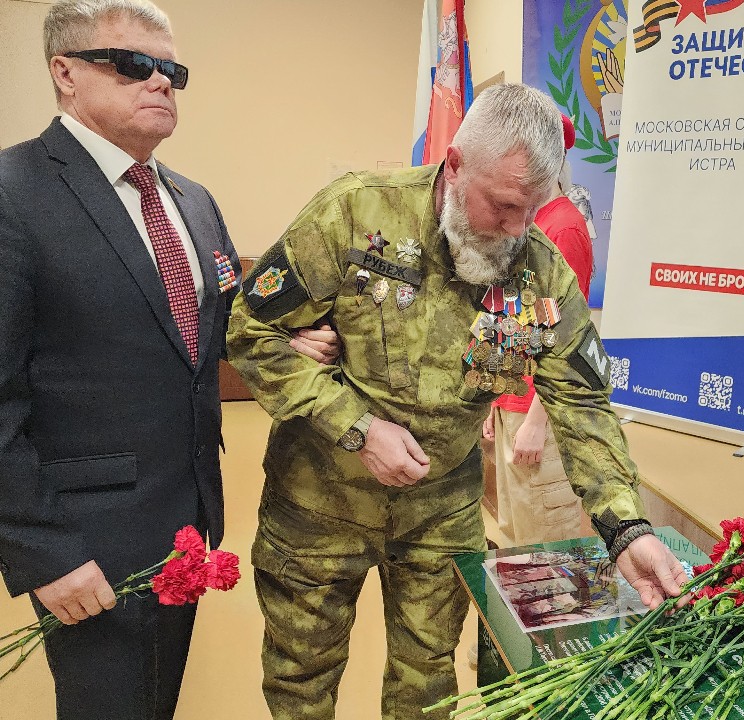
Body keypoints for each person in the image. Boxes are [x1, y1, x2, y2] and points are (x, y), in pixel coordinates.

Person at [226, 82, 688, 720]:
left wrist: (623, 525)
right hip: (317, 505)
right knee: (301, 680)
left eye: (532, 210)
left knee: (428, 690)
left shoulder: (539, 271)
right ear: (454, 164)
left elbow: (582, 403)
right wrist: (357, 427)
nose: (515, 231)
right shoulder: (356, 215)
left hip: (439, 515)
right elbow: (249, 334)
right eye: (502, 206)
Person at [0, 1, 335, 718]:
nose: (161, 84)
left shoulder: (192, 200)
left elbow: (193, 337)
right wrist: (42, 551)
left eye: (171, 70)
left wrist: (284, 346)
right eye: (132, 65)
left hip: (183, 524)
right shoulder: (13, 195)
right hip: (84, 539)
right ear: (64, 72)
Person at [483, 113, 594, 546]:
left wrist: (536, 421)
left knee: (546, 553)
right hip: (513, 404)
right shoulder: (526, 223)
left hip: (539, 416)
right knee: (518, 541)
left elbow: (568, 338)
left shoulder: (563, 227)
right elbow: (515, 316)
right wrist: (493, 395)